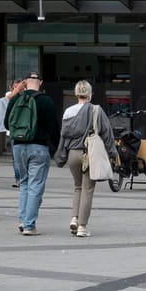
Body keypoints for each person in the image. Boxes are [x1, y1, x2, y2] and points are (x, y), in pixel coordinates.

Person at [52, 79, 116, 237]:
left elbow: (63, 136)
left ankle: (74, 217)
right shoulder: (96, 110)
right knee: (88, 189)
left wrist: (61, 154)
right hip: (90, 153)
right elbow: (107, 134)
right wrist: (113, 153)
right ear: (90, 94)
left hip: (72, 154)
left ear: (76, 93)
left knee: (78, 187)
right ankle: (82, 226)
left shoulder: (68, 112)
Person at [4, 71, 59, 235]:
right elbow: (53, 128)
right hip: (39, 147)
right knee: (35, 185)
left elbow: (7, 123)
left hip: (18, 147)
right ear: (40, 83)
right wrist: (57, 149)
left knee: (24, 183)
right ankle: (29, 225)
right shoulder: (46, 101)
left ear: (25, 82)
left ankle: (23, 220)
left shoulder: (16, 99)